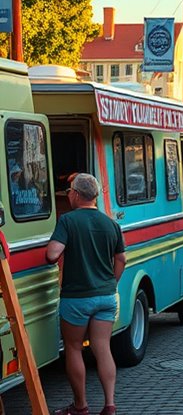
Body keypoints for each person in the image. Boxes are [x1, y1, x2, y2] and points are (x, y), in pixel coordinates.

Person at [46, 174, 125, 415]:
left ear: (78, 194)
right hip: (106, 297)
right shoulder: (111, 223)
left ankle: (80, 406)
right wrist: (111, 282)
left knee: (74, 348)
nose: (68, 194)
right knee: (103, 348)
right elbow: (121, 259)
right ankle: (110, 404)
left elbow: (52, 254)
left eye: (69, 191)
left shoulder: (67, 221)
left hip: (76, 298)